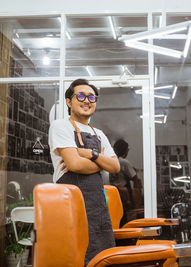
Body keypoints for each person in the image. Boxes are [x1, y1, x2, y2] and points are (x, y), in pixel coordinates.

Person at [48, 78, 120, 265]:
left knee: (103, 257)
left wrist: (89, 153)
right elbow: (75, 165)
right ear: (69, 101)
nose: (86, 100)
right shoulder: (60, 126)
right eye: (80, 95)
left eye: (91, 97)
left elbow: (116, 167)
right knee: (74, 257)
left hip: (97, 207)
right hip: (70, 205)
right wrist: (101, 162)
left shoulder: (99, 134)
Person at [110, 139, 142, 223]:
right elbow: (134, 177)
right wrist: (137, 196)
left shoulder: (111, 160)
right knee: (127, 216)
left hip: (114, 192)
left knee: (118, 215)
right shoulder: (124, 162)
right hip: (124, 193)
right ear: (125, 150)